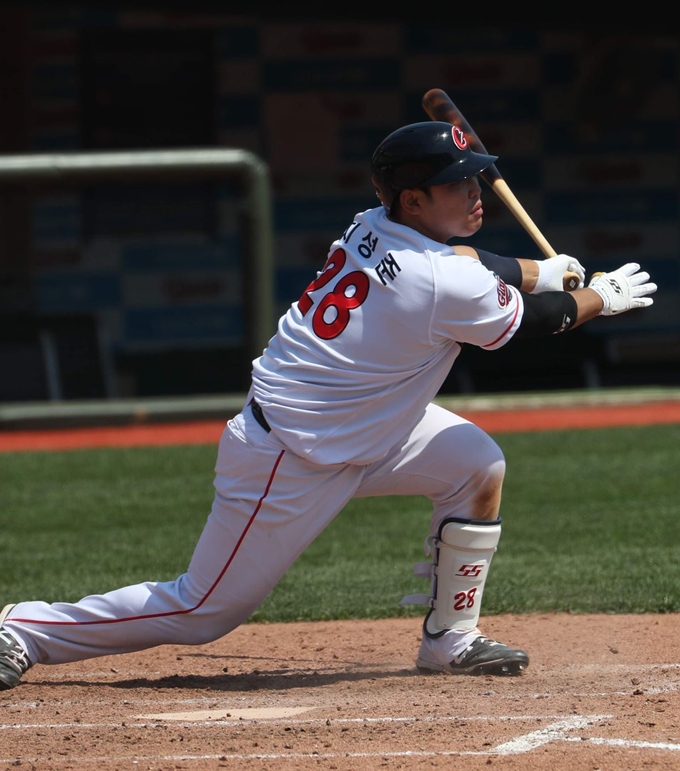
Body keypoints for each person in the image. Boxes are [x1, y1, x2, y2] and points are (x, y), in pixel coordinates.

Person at [0, 121, 657, 690]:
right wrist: (602, 294)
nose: (476, 193)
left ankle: (450, 639)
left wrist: (543, 267)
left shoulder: (375, 224)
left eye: (477, 179)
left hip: (367, 423)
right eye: (461, 184)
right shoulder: (439, 282)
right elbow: (535, 318)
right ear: (415, 198)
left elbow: (466, 259)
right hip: (291, 456)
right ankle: (24, 629)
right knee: (203, 611)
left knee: (476, 463)